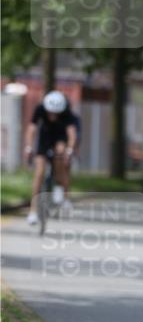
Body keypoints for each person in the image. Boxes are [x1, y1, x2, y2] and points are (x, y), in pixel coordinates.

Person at [25, 90, 77, 225]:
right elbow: (31, 129)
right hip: (45, 138)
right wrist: (29, 147)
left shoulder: (66, 112)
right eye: (50, 112)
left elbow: (71, 133)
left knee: (61, 155)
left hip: (60, 138)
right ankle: (33, 211)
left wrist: (70, 149)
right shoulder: (40, 108)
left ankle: (63, 194)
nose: (53, 115)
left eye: (56, 113)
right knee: (39, 173)